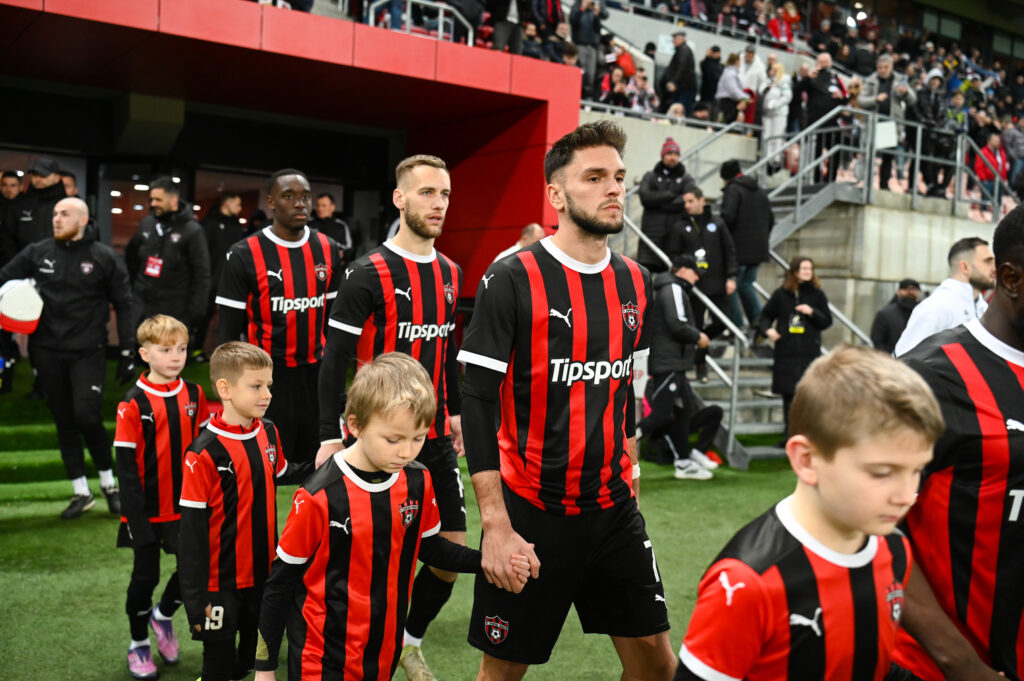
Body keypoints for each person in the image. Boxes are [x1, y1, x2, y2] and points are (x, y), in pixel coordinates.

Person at [458, 120, 675, 680]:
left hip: (613, 510)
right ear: (556, 195)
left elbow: (626, 387)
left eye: (619, 177)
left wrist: (630, 469)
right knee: (501, 673)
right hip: (531, 512)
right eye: (595, 177)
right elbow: (476, 400)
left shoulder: (637, 281)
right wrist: (495, 524)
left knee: (657, 665)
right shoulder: (511, 278)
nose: (614, 188)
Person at [672, 345, 945, 681]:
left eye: (916, 470)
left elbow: (867, 660)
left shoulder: (894, 548)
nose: (906, 495)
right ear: (806, 460)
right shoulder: (746, 584)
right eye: (882, 473)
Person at [253, 353, 531, 681]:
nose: (406, 451)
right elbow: (279, 584)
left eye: (417, 438)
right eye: (393, 439)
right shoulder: (318, 496)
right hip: (321, 660)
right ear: (355, 425)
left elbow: (429, 548)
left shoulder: (417, 480)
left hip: (383, 656)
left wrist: (487, 561)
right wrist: (265, 669)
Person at [317, 154, 465, 681]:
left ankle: (409, 641)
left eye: (444, 194)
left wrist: (454, 413)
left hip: (433, 436)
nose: (438, 203)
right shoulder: (365, 273)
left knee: (449, 552)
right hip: (377, 440)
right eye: (427, 193)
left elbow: (446, 352)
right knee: (372, 557)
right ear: (400, 199)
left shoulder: (451, 273)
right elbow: (334, 359)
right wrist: (328, 435)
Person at [895, 205, 1024, 681]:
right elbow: (863, 526)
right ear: (1010, 279)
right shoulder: (928, 377)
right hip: (943, 668)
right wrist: (960, 663)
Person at [178, 342, 315, 681]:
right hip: (219, 584)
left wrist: (328, 463)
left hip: (265, 577)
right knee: (218, 667)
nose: (267, 394)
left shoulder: (268, 431)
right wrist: (194, 600)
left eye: (269, 385)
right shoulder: (202, 453)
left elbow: (283, 471)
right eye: (256, 386)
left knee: (254, 660)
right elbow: (191, 535)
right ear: (225, 389)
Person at [0, 197, 134, 519]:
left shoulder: (104, 257)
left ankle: (109, 485)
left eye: (65, 214)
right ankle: (81, 492)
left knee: (87, 415)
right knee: (64, 420)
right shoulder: (38, 251)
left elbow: (125, 303)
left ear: (83, 220)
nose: (57, 219)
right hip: (45, 350)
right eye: (55, 214)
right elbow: (3, 277)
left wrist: (127, 349)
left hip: (88, 350)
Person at [216, 170, 340, 466]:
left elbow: (334, 322)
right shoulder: (244, 253)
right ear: (271, 202)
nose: (300, 203)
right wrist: (230, 389)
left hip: (317, 375)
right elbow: (228, 334)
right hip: (268, 376)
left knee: (321, 465)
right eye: (289, 196)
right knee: (265, 466)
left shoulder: (328, 248)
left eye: (305, 197)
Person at [114, 314, 209, 680]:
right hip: (146, 513)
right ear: (145, 354)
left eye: (181, 349)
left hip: (187, 507)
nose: (176, 357)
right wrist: (135, 521)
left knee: (194, 572)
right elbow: (126, 470)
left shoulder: (194, 394)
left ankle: (163, 615)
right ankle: (138, 643)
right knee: (145, 578)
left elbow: (203, 451)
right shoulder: (133, 403)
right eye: (166, 350)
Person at [638, 253, 721, 480]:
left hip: (674, 363)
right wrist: (698, 336)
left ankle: (684, 463)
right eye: (695, 272)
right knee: (660, 415)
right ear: (682, 270)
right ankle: (620, 444)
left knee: (683, 413)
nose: (697, 278)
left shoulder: (670, 288)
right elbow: (677, 323)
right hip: (669, 363)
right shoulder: (673, 288)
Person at [125, 176, 211, 339]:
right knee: (140, 349)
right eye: (151, 199)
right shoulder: (147, 223)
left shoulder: (193, 230)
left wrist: (195, 313)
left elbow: (202, 275)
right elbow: (132, 259)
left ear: (173, 200)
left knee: (164, 350)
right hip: (141, 305)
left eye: (158, 200)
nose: (153, 204)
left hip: (173, 309)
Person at [756, 256, 832, 438]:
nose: (807, 272)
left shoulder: (817, 294)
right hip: (786, 352)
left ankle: (807, 435)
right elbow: (765, 316)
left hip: (808, 353)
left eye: (809, 269)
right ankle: (789, 435)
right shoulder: (781, 294)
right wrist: (768, 331)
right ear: (795, 271)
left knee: (807, 395)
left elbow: (826, 321)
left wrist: (812, 312)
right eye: (804, 268)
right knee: (789, 396)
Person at [673, 186, 738, 383]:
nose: (687, 205)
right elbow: (674, 255)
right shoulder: (680, 226)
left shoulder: (717, 223)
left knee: (722, 322)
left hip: (718, 284)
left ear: (702, 200)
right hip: (695, 288)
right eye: (685, 202)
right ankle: (701, 366)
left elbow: (729, 251)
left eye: (691, 201)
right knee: (696, 324)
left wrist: (731, 276)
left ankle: (700, 341)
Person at [895, 237, 995, 356]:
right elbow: (905, 357)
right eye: (988, 261)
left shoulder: (983, 307)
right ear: (965, 267)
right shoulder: (938, 306)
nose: (994, 268)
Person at [719, 160, 773, 330]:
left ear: (726, 177)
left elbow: (728, 217)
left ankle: (736, 325)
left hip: (738, 249)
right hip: (759, 249)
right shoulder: (760, 191)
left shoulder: (733, 189)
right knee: (746, 284)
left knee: (730, 286)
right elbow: (771, 219)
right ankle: (759, 321)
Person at [196, 192, 245, 360]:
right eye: (237, 204)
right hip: (209, 281)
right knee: (204, 315)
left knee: (230, 318)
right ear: (227, 203)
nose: (240, 208)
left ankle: (227, 354)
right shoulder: (208, 223)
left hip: (231, 281)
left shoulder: (236, 226)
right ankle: (196, 350)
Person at [859, 54, 918, 192]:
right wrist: (875, 99)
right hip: (873, 124)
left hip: (890, 125)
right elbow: (861, 100)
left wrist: (905, 93)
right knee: (869, 155)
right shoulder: (871, 80)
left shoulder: (900, 80)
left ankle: (884, 185)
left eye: (886, 67)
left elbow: (912, 100)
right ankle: (866, 184)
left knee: (888, 157)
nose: (883, 70)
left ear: (891, 67)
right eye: (880, 67)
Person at [637, 138, 696, 273]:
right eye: (669, 154)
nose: (673, 157)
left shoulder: (687, 178)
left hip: (674, 238)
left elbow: (687, 200)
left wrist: (657, 202)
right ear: (663, 155)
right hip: (651, 237)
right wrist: (669, 195)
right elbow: (645, 197)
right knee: (645, 276)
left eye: (676, 154)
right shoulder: (650, 176)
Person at [796, 52, 849, 183]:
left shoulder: (836, 78)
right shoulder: (812, 76)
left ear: (831, 63)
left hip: (832, 122)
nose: (824, 64)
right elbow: (797, 89)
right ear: (817, 62)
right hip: (815, 122)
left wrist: (841, 96)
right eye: (821, 61)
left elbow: (846, 98)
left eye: (826, 61)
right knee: (816, 153)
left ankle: (830, 179)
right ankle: (816, 180)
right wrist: (808, 78)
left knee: (836, 151)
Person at [2, 157, 67, 258]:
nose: (38, 179)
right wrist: (17, 263)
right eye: (34, 175)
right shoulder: (18, 205)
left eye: (43, 175)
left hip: (59, 263)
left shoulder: (68, 205)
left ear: (57, 178)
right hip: (23, 264)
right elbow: (7, 239)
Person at [870, 278, 922, 355]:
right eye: (907, 289)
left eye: (914, 289)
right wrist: (888, 358)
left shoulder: (922, 314)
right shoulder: (885, 314)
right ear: (899, 292)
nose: (911, 292)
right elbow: (877, 340)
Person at [309, 192, 360, 265]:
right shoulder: (308, 224)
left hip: (334, 266)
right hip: (312, 265)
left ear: (332, 207)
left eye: (324, 206)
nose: (320, 208)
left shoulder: (341, 225)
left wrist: (341, 254)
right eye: (318, 205)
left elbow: (349, 249)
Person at [568, 0, 605, 99]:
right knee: (580, 72)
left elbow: (597, 29)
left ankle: (587, 97)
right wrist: (582, 8)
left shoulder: (593, 12)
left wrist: (596, 16)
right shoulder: (577, 7)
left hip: (592, 47)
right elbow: (573, 22)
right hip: (580, 45)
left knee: (590, 75)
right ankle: (576, 95)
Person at [761, 62, 793, 174]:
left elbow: (787, 96)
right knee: (767, 136)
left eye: (773, 70)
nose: (771, 71)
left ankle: (776, 160)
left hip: (779, 113)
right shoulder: (768, 81)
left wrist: (775, 104)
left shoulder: (783, 81)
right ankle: (767, 158)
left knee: (777, 136)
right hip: (767, 113)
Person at [660, 31, 696, 116]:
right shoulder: (681, 50)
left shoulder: (684, 50)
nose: (674, 41)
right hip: (681, 87)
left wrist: (674, 82)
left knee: (680, 111)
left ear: (682, 39)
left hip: (683, 88)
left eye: (675, 39)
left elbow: (682, 67)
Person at [975, 131, 1009, 206]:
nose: (997, 142)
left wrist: (1003, 179)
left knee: (998, 203)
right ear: (989, 141)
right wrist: (984, 179)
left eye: (998, 141)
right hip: (987, 181)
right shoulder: (983, 151)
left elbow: (1003, 167)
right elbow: (979, 167)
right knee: (986, 202)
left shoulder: (1001, 152)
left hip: (999, 181)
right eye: (995, 140)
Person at [714, 53, 748, 123]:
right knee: (726, 121)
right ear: (736, 61)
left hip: (727, 101)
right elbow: (733, 89)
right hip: (726, 102)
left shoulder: (730, 72)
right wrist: (744, 97)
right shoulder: (730, 73)